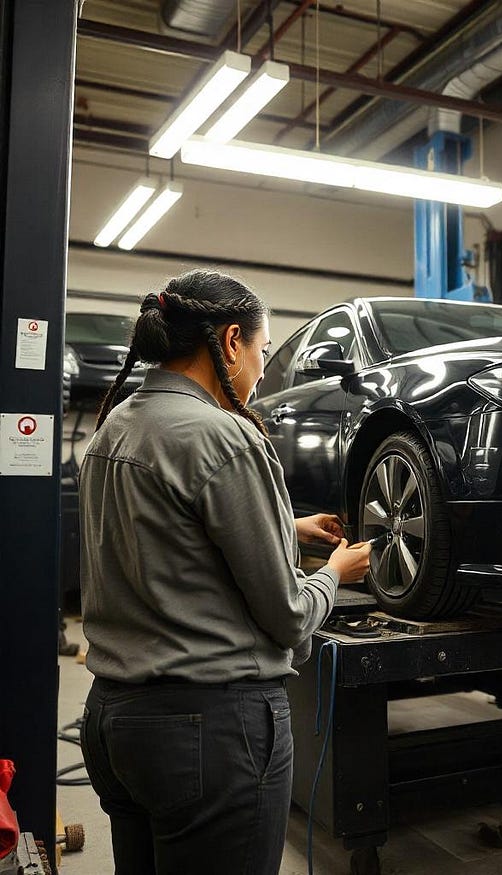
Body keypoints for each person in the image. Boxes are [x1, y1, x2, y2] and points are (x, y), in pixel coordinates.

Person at [78, 270, 372, 875]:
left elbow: (161, 528)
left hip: (115, 721)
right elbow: (288, 615)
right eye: (263, 350)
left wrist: (286, 526)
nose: (263, 369)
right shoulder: (225, 435)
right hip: (209, 732)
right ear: (232, 341)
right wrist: (333, 574)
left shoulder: (118, 425)